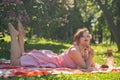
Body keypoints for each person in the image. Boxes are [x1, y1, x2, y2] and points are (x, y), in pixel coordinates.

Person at [8, 20, 95, 69]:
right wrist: (91, 56)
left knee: (22, 56)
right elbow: (85, 67)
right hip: (49, 60)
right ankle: (14, 35)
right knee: (15, 62)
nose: (86, 38)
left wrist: (89, 56)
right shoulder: (74, 51)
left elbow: (91, 65)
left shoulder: (83, 51)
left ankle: (21, 36)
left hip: (51, 58)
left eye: (88, 36)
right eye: (83, 36)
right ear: (78, 39)